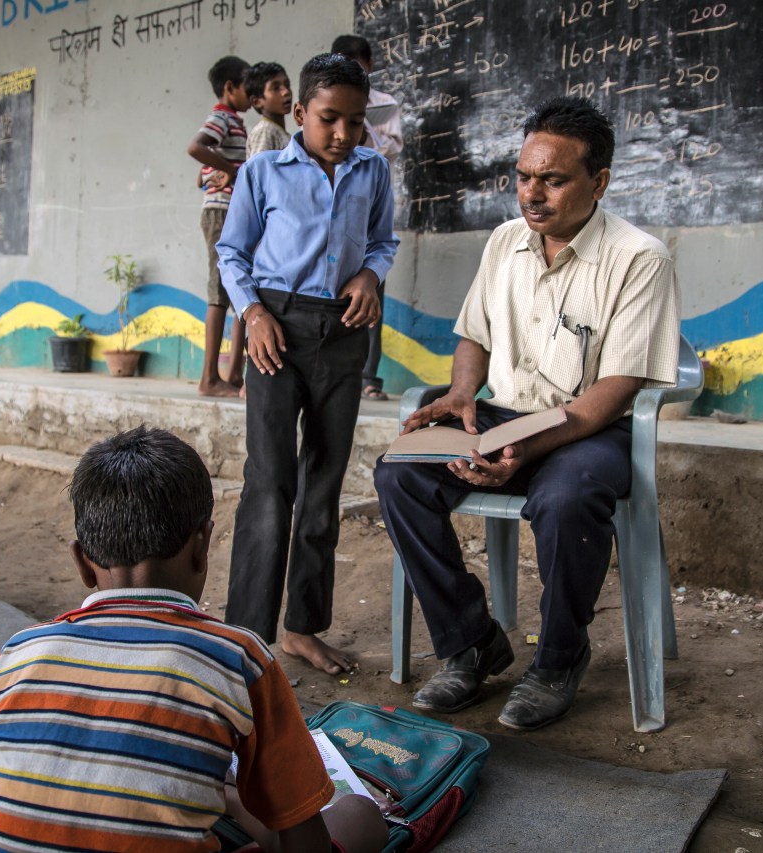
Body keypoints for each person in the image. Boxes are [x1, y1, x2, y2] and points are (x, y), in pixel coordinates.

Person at [0, 426, 388, 853]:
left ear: (81, 562)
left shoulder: (18, 650)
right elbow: (305, 841)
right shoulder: (240, 659)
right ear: (203, 545)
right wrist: (243, 806)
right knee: (358, 817)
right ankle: (229, 798)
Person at [374, 96, 682, 732]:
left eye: (553, 179)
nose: (530, 194)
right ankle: (471, 643)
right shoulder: (506, 242)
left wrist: (528, 448)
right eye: (523, 175)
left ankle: (559, 658)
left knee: (568, 498)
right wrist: (462, 394)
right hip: (500, 415)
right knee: (398, 473)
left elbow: (613, 391)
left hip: (587, 432)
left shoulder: (638, 258)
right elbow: (474, 336)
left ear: (599, 181)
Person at [216, 53, 398, 675]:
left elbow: (382, 240)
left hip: (343, 332)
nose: (344, 134)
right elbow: (231, 253)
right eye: (329, 120)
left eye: (355, 121)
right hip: (277, 331)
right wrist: (254, 315)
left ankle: (301, 628)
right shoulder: (263, 173)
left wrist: (372, 274)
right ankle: (245, 632)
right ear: (299, 114)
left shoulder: (373, 171)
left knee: (323, 482)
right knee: (270, 482)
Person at [331, 34, 403, 402]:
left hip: (368, 204)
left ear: (369, 65)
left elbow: (391, 147)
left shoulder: (384, 105)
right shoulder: (325, 103)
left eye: (355, 67)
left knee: (370, 291)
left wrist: (365, 131)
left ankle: (368, 377)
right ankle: (338, 373)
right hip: (334, 206)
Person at [189, 55, 251, 398]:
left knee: (237, 289)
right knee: (219, 292)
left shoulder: (235, 122)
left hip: (231, 211)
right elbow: (196, 147)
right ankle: (209, 378)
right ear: (230, 88)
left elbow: (202, 170)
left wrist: (218, 167)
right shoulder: (222, 117)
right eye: (247, 84)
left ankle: (232, 375)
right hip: (220, 212)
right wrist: (232, 168)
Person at [244, 61, 294, 159]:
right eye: (276, 88)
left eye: (287, 85)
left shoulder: (276, 131)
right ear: (257, 102)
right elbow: (259, 171)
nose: (286, 92)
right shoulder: (265, 132)